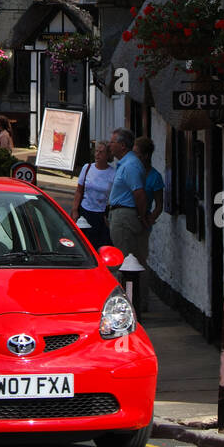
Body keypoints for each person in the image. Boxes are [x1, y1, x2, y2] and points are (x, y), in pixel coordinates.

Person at [107, 129, 151, 311]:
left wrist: (141, 216)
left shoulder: (131, 165)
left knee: (127, 260)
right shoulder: (126, 164)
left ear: (122, 145)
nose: (110, 145)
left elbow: (139, 193)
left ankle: (134, 304)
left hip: (126, 216)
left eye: (113, 142)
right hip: (121, 214)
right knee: (128, 259)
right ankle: (133, 302)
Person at [71, 141, 113, 247]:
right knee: (83, 244)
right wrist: (75, 210)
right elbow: (79, 191)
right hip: (85, 211)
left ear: (108, 155)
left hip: (101, 214)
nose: (97, 154)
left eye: (101, 152)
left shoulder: (113, 173)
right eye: (96, 151)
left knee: (100, 245)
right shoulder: (87, 168)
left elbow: (113, 196)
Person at [134, 136, 164, 231]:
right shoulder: (131, 171)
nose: (132, 157)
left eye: (135, 153)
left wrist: (149, 220)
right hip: (126, 219)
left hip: (141, 222)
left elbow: (159, 205)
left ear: (145, 155)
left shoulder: (155, 177)